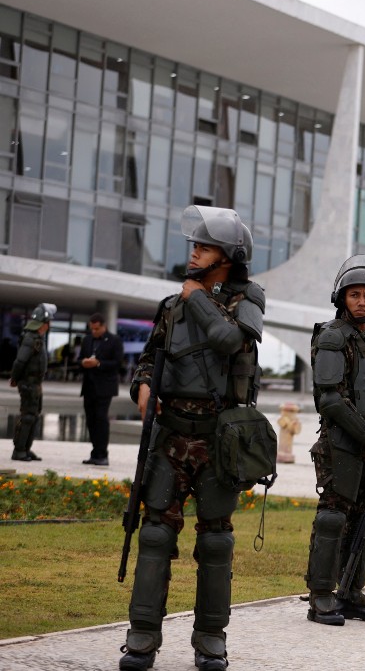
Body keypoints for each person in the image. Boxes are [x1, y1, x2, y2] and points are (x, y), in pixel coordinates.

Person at [120, 206, 264, 671]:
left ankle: (210, 639)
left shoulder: (248, 300)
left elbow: (228, 341)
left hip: (219, 441)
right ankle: (141, 637)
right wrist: (142, 386)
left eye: (203, 247)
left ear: (226, 257)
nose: (194, 253)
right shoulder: (173, 306)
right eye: (195, 246)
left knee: (217, 541)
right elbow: (149, 358)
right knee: (156, 535)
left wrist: (197, 298)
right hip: (171, 436)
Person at [305, 255, 365, 625]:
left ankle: (350, 591)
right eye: (354, 295)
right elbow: (329, 398)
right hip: (341, 446)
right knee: (333, 518)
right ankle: (320, 596)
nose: (361, 301)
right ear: (341, 299)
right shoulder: (332, 337)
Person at [9, 303, 55, 462]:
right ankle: (19, 450)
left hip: (35, 384)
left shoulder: (37, 338)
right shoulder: (31, 338)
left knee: (34, 416)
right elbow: (20, 362)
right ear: (45, 323)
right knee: (28, 416)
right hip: (28, 384)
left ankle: (26, 449)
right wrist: (15, 378)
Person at [80, 312, 124, 466]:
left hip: (105, 387)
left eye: (97, 329)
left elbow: (118, 364)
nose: (94, 332)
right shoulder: (87, 340)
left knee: (101, 419)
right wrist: (84, 362)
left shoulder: (114, 341)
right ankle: (95, 453)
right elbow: (81, 358)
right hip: (89, 387)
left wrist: (98, 363)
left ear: (104, 326)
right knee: (91, 420)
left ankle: (102, 454)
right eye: (92, 329)